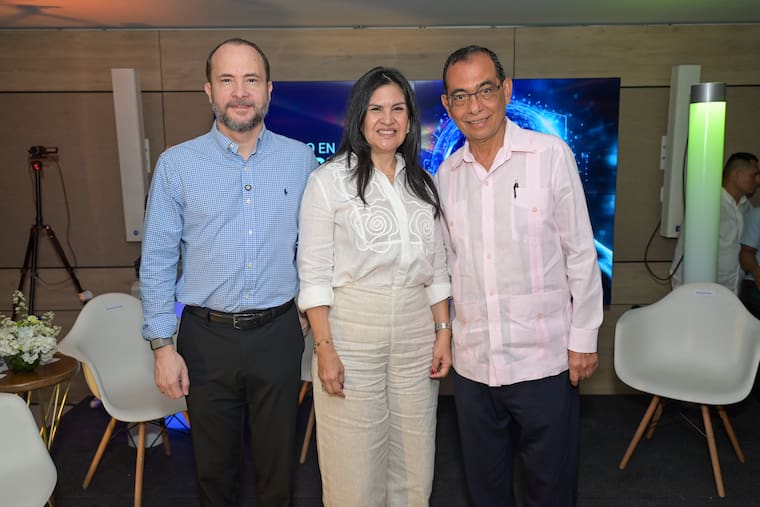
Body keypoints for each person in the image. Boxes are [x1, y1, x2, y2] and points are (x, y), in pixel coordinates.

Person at [140, 38, 318, 507]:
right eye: (227, 80)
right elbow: (157, 259)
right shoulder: (177, 165)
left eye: (251, 80)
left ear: (269, 89)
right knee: (214, 473)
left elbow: (315, 245)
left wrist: (305, 306)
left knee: (278, 471)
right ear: (209, 90)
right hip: (206, 340)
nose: (240, 92)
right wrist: (162, 347)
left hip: (278, 335)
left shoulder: (300, 160)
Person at [434, 45, 603, 506]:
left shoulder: (549, 155)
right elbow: (446, 265)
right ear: (447, 105)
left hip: (543, 361)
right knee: (484, 489)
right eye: (461, 96)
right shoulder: (446, 177)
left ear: (506, 90)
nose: (475, 106)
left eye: (485, 90)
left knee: (550, 488)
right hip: (474, 365)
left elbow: (579, 251)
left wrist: (584, 337)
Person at [297, 66, 452, 506]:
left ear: (410, 119)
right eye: (376, 109)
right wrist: (324, 348)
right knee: (354, 462)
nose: (387, 119)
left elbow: (438, 269)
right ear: (359, 117)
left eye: (397, 109)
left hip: (416, 331)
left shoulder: (424, 183)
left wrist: (443, 332)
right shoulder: (328, 182)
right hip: (351, 332)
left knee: (414, 459)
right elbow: (313, 275)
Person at [670, 152, 760, 292]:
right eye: (754, 175)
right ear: (737, 174)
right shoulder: (708, 202)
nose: (758, 180)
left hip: (731, 289)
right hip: (696, 287)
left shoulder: (747, 208)